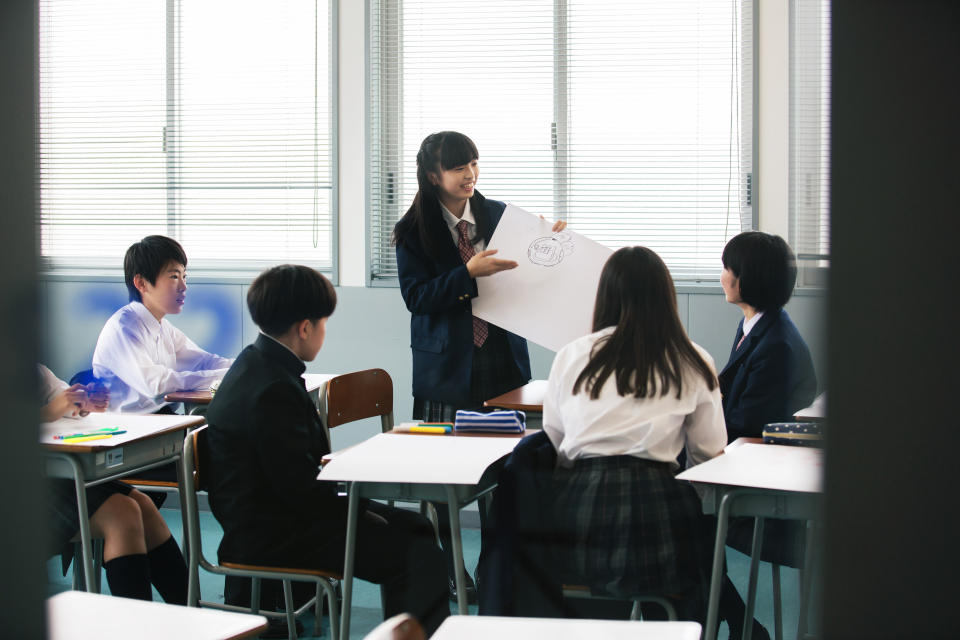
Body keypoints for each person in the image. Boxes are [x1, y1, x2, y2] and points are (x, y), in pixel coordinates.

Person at [204, 265, 448, 635]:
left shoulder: (255, 362)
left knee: (415, 527)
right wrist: (360, 506)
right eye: (323, 323)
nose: (324, 332)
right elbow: (301, 490)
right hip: (273, 533)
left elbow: (295, 477)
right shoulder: (273, 389)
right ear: (305, 328)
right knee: (414, 551)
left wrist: (358, 500)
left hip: (272, 515)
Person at [392, 130, 565, 602]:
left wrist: (551, 248)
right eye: (458, 167)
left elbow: (532, 270)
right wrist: (465, 276)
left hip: (500, 361)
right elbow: (416, 298)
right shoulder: (413, 230)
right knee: (445, 476)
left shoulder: (501, 215)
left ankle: (497, 569)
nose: (469, 174)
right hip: (446, 371)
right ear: (433, 176)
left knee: (505, 472)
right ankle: (451, 568)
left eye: (474, 164)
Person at [541, 246, 726, 622]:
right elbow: (709, 457)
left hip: (579, 506)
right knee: (683, 583)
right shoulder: (692, 358)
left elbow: (554, 443)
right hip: (659, 505)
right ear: (665, 297)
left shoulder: (572, 354)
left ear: (605, 296)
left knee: (587, 603)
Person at [716, 231, 818, 640]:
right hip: (749, 467)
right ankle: (741, 621)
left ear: (745, 278)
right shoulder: (757, 327)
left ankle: (737, 621)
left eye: (727, 268)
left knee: (683, 520)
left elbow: (744, 425)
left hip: (761, 484)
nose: (722, 276)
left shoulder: (775, 344)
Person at [40, 364, 188, 603]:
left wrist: (82, 402)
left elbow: (58, 396)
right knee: (122, 513)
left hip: (51, 475)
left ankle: (189, 614)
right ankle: (137, 628)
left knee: (143, 505)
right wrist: (48, 411)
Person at [92, 235, 233, 415]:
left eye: (184, 276)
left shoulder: (163, 327)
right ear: (141, 283)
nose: (184, 286)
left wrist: (243, 367)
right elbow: (157, 384)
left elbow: (204, 362)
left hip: (162, 423)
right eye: (174, 276)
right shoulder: (124, 327)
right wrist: (228, 376)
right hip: (131, 429)